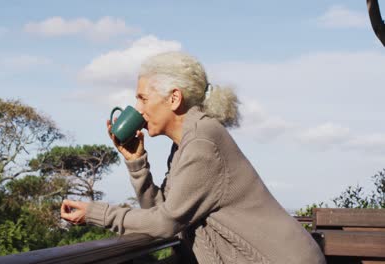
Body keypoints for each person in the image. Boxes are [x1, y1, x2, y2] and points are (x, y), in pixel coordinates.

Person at [61, 51, 326, 264]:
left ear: (174, 98)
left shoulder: (202, 141)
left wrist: (96, 213)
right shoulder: (185, 144)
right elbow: (163, 210)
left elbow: (165, 223)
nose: (138, 110)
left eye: (142, 98)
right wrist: (137, 163)